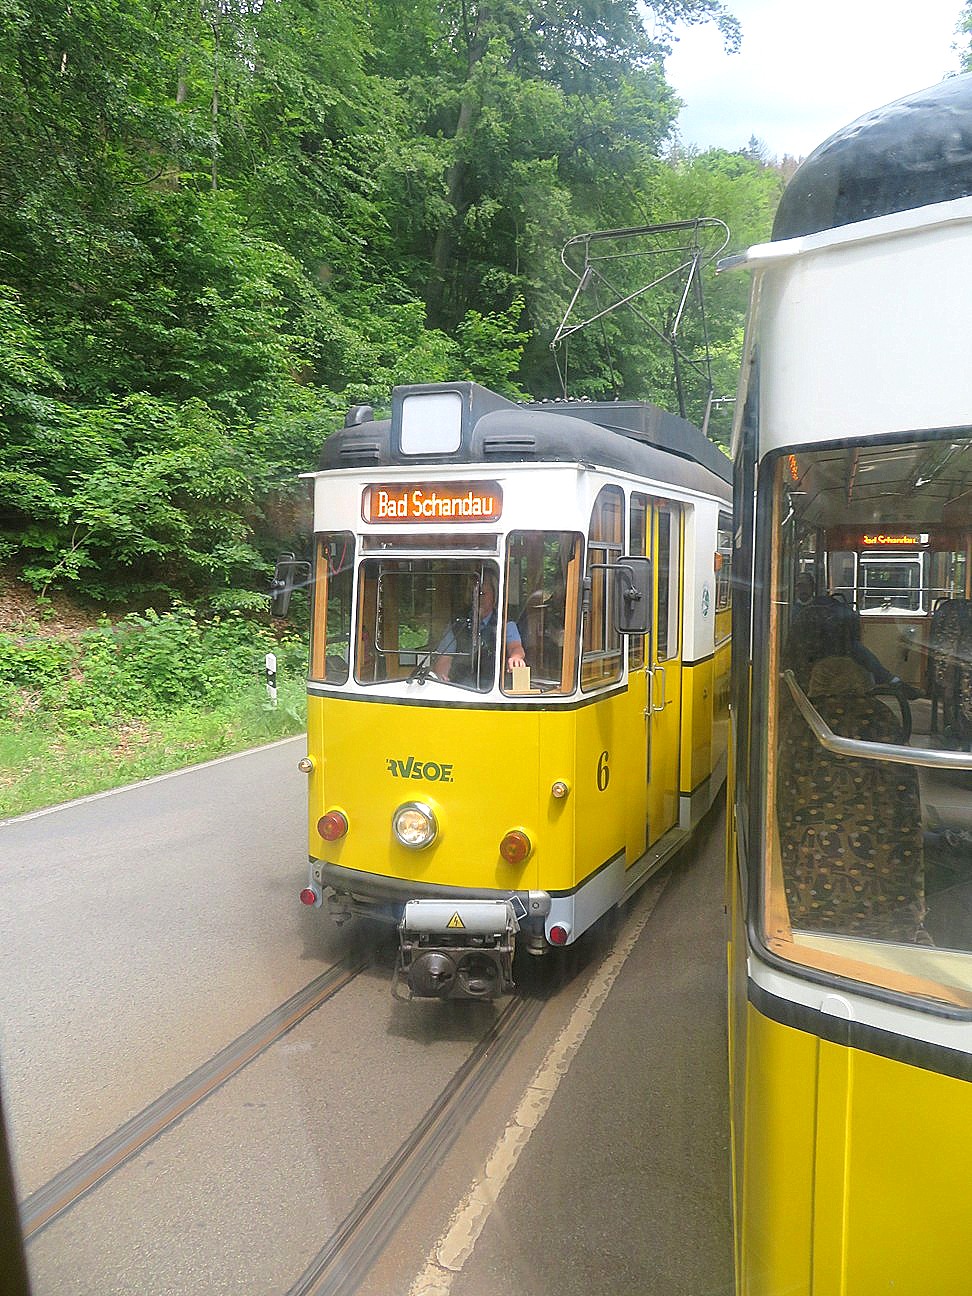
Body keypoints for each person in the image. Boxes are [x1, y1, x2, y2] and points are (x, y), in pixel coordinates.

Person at [790, 574, 919, 696]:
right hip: (804, 647)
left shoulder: (825, 602)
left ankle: (893, 682)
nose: (803, 589)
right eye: (799, 586)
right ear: (794, 588)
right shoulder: (790, 608)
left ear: (813, 587)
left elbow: (846, 614)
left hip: (830, 644)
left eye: (806, 585)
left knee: (856, 647)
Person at [434, 573, 525, 684]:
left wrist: (516, 658)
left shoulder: (506, 623)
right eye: (473, 594)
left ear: (495, 595)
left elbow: (516, 647)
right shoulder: (457, 623)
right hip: (462, 687)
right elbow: (444, 659)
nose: (477, 598)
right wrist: (441, 678)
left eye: (482, 593)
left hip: (495, 688)